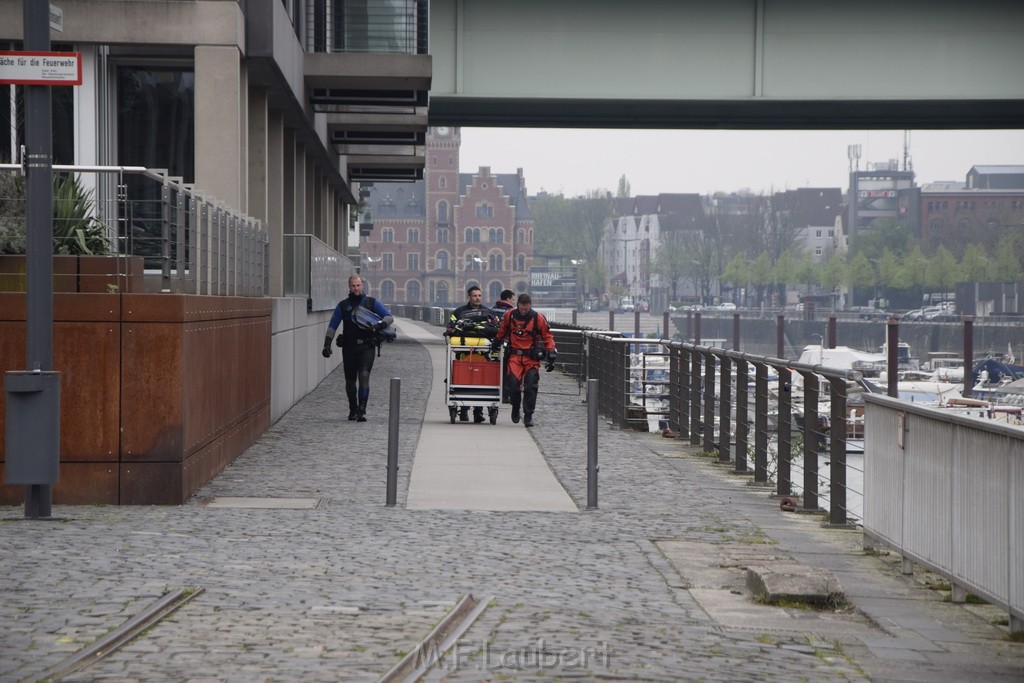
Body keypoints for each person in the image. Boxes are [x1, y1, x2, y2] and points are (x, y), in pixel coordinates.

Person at [322, 275, 394, 422]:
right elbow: (332, 325)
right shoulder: (343, 305)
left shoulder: (370, 302)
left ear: (363, 286)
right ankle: (353, 409)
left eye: (358, 285)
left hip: (367, 346)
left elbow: (389, 317)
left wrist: (380, 325)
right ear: (349, 287)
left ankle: (362, 409)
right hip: (349, 347)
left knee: (364, 375)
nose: (356, 288)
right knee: (350, 381)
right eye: (353, 286)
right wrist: (327, 344)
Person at [492, 293, 556, 428]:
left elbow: (547, 336)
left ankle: (528, 415)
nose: (523, 311)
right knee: (513, 386)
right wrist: (497, 342)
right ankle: (516, 407)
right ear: (518, 305)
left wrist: (551, 352)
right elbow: (503, 330)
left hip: (531, 358)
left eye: (526, 309)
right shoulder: (510, 315)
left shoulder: (538, 318)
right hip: (514, 356)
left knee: (531, 386)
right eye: (521, 308)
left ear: (530, 305)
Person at [446, 285, 499, 422]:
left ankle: (478, 412)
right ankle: (464, 411)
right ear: (469, 297)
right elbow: (451, 326)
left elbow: (495, 326)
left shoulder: (488, 312)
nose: (477, 298)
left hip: (483, 352)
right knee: (464, 377)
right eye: (475, 296)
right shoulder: (459, 312)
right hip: (463, 351)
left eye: (479, 295)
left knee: (480, 379)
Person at [491, 288, 517, 404]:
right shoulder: (512, 312)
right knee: (507, 368)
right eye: (512, 299)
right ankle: (505, 394)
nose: (513, 302)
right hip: (507, 343)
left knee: (494, 366)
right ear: (507, 299)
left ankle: (492, 388)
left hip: (493, 342)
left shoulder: (492, 309)